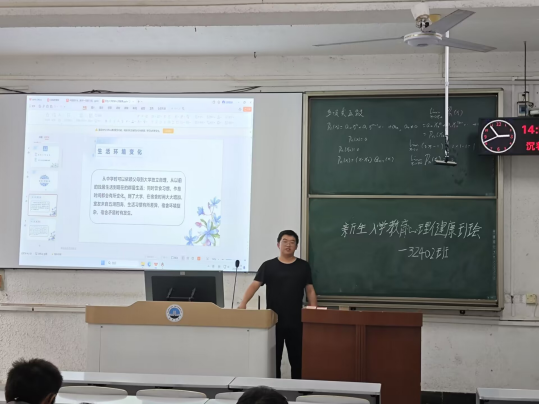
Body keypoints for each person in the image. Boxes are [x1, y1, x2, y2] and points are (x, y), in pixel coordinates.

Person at [238, 230, 317, 379]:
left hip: (296, 320)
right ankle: (274, 389)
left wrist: (313, 311)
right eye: (284, 241)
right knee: (274, 360)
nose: (288, 245)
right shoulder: (268, 266)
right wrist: (243, 303)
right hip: (273, 320)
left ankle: (299, 388)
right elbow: (254, 285)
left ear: (296, 246)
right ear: (278, 245)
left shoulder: (303, 266)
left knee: (298, 359)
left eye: (292, 242)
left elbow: (310, 289)